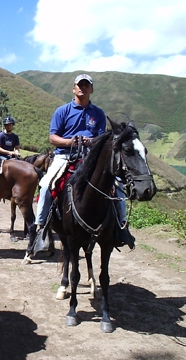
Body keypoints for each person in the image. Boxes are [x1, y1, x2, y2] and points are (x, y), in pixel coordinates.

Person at [34, 73, 134, 249]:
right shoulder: (62, 111)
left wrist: (91, 142)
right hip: (65, 155)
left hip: (91, 157)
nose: (82, 87)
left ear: (91, 89)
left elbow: (102, 138)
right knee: (45, 186)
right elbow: (52, 138)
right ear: (74, 88)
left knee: (117, 187)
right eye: (79, 85)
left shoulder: (98, 113)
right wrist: (71, 141)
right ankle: (40, 228)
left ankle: (121, 227)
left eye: (86, 85)